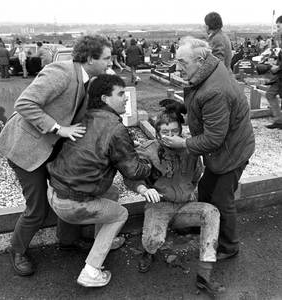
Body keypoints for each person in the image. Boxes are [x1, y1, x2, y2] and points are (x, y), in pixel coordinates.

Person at [0, 35, 113, 276]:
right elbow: (24, 103)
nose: (111, 62)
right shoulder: (61, 71)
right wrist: (59, 129)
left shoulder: (88, 79)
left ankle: (67, 241)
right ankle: (17, 249)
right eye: (107, 58)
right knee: (37, 207)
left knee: (69, 191)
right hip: (26, 148)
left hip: (51, 148)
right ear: (90, 59)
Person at [47, 74, 152, 287]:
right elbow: (132, 171)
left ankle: (103, 240)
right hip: (73, 205)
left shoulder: (85, 116)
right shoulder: (115, 128)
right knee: (120, 214)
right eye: (121, 94)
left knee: (112, 192)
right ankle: (91, 271)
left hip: (53, 192)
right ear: (105, 98)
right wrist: (152, 164)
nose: (125, 99)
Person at [162, 37, 255, 262]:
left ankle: (229, 245)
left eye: (183, 62)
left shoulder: (215, 90)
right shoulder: (208, 71)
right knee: (205, 189)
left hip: (232, 153)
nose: (178, 67)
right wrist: (183, 108)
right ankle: (201, 223)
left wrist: (183, 144)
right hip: (224, 150)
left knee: (223, 200)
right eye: (177, 61)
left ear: (200, 59)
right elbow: (201, 103)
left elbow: (213, 138)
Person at [125, 110, 225, 295]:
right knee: (153, 240)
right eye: (165, 132)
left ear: (181, 131)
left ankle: (204, 275)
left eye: (174, 131)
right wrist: (144, 189)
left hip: (185, 206)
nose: (170, 136)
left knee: (212, 212)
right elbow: (131, 176)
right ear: (157, 133)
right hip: (159, 206)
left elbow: (197, 175)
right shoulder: (148, 150)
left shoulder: (191, 149)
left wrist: (187, 192)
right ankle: (149, 251)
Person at [265, 15, 282, 129]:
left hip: (280, 74)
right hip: (279, 76)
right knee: (270, 94)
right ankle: (279, 121)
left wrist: (277, 67)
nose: (277, 29)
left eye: (279, 26)